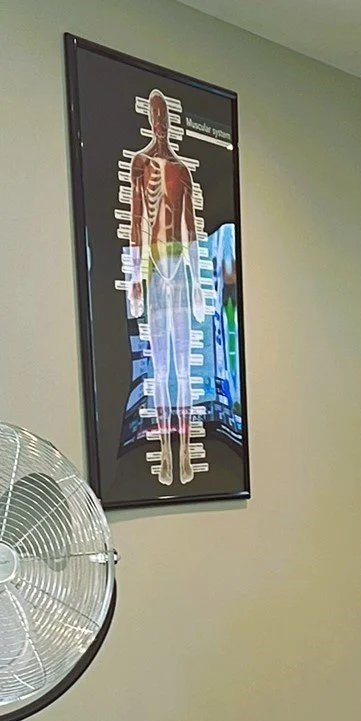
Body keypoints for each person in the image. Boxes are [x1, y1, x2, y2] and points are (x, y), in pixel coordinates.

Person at [126, 90, 207, 486]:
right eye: (154, 114)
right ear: (149, 117)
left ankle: (184, 451)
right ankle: (166, 455)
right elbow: (136, 222)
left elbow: (191, 230)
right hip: (156, 269)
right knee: (161, 371)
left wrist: (197, 287)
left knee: (183, 368)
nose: (160, 121)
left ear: (169, 121)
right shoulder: (140, 165)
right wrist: (136, 280)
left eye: (164, 115)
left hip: (179, 265)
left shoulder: (180, 170)